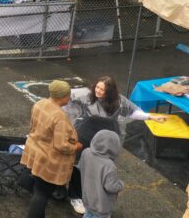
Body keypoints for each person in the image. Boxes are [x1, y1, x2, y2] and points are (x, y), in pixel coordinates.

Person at [63, 75, 165, 214]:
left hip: (104, 142)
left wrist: (151, 116)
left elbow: (133, 112)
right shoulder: (85, 97)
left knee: (98, 171)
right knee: (78, 166)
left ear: (110, 92)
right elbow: (65, 103)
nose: (98, 91)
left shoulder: (118, 101)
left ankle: (91, 197)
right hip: (85, 137)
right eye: (97, 87)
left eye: (102, 89)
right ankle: (75, 196)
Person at [20, 80, 82, 218]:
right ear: (61, 97)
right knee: (41, 194)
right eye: (68, 95)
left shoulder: (39, 104)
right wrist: (75, 146)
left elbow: (33, 126)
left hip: (36, 152)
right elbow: (61, 145)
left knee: (38, 189)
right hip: (48, 159)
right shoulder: (59, 116)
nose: (70, 98)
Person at [76, 130, 125, 218]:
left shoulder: (86, 152)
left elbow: (80, 167)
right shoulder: (109, 166)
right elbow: (111, 187)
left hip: (87, 197)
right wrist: (121, 185)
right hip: (101, 206)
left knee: (88, 214)